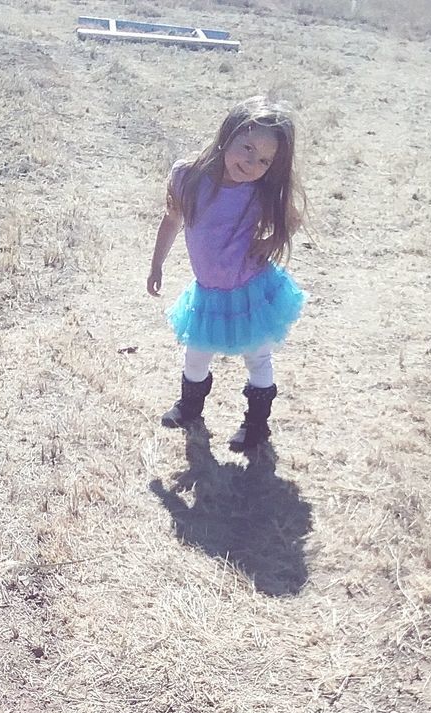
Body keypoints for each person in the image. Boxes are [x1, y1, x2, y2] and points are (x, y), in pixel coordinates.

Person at [146, 96, 306, 452]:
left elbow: (290, 219)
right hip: (207, 292)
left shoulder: (260, 192)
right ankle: (190, 408)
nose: (251, 163)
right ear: (227, 135)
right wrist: (157, 264)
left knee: (258, 357)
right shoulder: (187, 177)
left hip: (249, 290)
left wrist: (270, 242)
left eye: (264, 160)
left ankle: (256, 426)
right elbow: (172, 219)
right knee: (196, 353)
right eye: (246, 147)